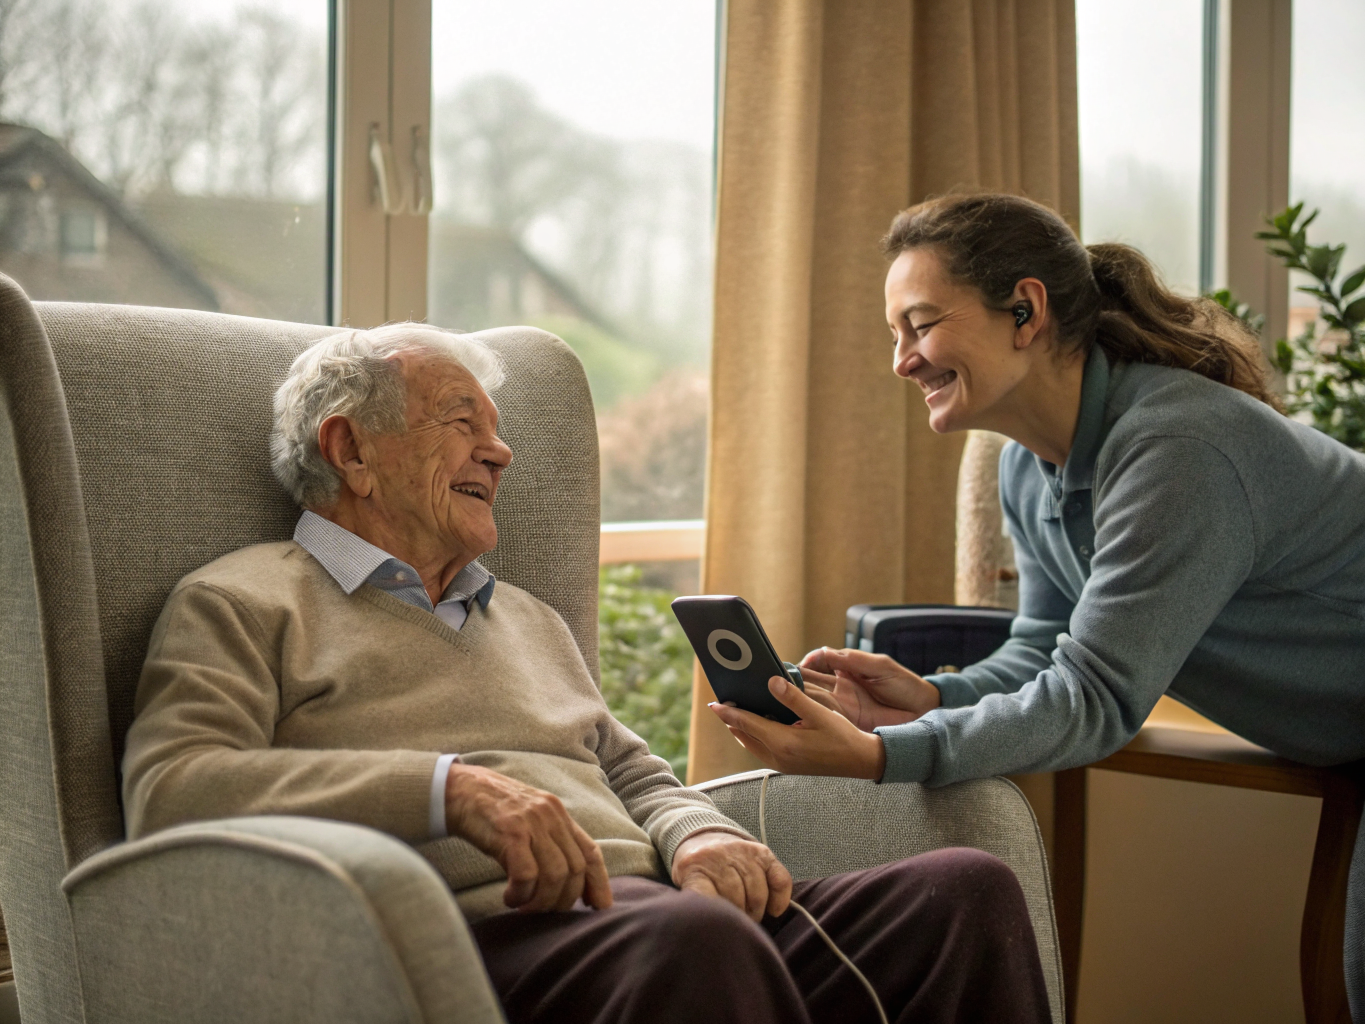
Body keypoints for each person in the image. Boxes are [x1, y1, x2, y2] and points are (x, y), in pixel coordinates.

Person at [122, 324, 1052, 1024]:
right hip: (472, 941)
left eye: (497, 429)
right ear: (350, 450)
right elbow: (171, 788)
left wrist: (692, 837)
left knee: (961, 894)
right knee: (696, 941)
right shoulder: (242, 603)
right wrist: (450, 791)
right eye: (461, 423)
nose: (502, 451)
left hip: (667, 922)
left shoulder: (524, 616)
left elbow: (634, 771)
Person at [706, 191, 1365, 1015]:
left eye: (920, 324)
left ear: (1025, 311)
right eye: (894, 335)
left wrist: (883, 757)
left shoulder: (1178, 448)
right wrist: (929, 698)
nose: (901, 362)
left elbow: (1094, 699)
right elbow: (1045, 648)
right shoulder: (1027, 466)